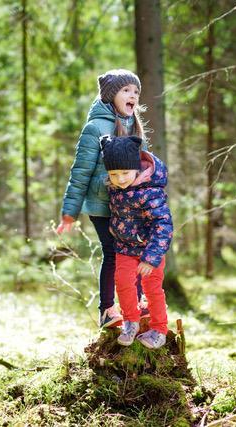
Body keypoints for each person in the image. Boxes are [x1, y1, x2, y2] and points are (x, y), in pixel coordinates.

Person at [56, 69, 147, 329]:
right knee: (113, 252)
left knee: (136, 251)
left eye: (136, 92)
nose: (133, 96)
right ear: (110, 96)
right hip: (102, 205)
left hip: (129, 206)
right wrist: (69, 213)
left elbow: (145, 165)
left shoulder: (135, 126)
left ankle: (137, 304)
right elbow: (80, 173)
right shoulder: (95, 127)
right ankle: (107, 309)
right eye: (126, 90)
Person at [100, 135, 173, 349]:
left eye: (125, 173)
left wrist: (151, 259)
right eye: (114, 174)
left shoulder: (150, 192)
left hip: (149, 251)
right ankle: (130, 321)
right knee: (122, 283)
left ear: (136, 170)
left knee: (152, 289)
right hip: (124, 248)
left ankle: (159, 329)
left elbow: (164, 225)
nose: (120, 179)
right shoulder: (115, 188)